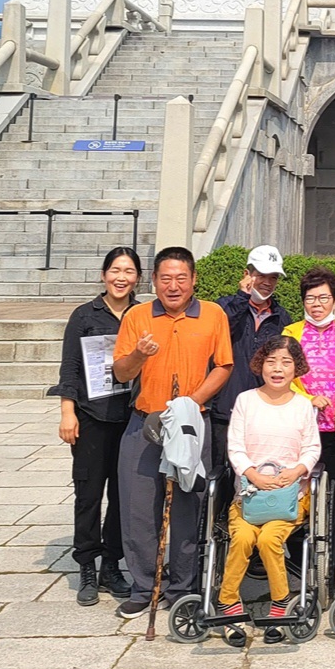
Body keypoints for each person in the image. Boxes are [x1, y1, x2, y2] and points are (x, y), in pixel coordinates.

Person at [112, 246, 234, 618]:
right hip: (145, 423)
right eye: (165, 278)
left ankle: (182, 585)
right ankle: (144, 584)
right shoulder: (137, 315)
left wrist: (191, 402)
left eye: (181, 277)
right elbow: (121, 372)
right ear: (153, 281)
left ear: (194, 280)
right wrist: (140, 355)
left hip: (191, 423)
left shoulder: (213, 314)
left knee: (187, 505)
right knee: (137, 508)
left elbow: (224, 365)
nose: (174, 285)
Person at [218, 335, 321, 646]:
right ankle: (227, 601)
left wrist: (297, 471)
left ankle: (280, 602)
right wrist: (251, 475)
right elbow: (235, 446)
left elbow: (312, 448)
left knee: (269, 538)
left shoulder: (303, 405)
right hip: (248, 496)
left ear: (296, 368)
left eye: (286, 362)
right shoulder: (246, 401)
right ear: (260, 365)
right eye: (271, 361)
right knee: (243, 537)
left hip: (289, 497)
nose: (278, 369)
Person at [54, 246, 140, 606]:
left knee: (123, 495)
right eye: (115, 270)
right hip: (91, 416)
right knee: (88, 494)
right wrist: (67, 412)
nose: (121, 278)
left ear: (138, 277)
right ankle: (87, 565)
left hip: (131, 417)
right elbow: (70, 367)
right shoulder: (84, 315)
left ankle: (111, 565)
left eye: (129, 271)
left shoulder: (143, 314)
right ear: (104, 275)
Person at [286, 266, 335, 590]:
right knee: (299, 491)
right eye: (310, 298)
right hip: (303, 428)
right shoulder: (292, 333)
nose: (316, 304)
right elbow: (286, 375)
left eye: (323, 297)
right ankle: (297, 554)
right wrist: (308, 398)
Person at [211, 246, 293, 512]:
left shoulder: (281, 317)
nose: (267, 283)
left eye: (273, 277)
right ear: (247, 274)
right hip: (224, 407)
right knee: (220, 476)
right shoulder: (225, 306)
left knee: (258, 473)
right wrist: (241, 298)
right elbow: (221, 334)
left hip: (263, 411)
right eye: (261, 275)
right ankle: (216, 535)